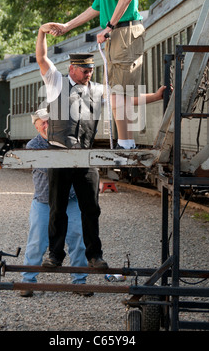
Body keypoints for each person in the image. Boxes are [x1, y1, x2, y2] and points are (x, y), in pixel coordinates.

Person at [35, 24, 165, 270]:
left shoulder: (97, 90)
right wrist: (42, 32)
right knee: (57, 209)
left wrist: (156, 97)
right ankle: (54, 255)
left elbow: (126, 99)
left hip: (86, 157)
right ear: (72, 69)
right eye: (85, 70)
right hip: (59, 155)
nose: (89, 74)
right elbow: (41, 57)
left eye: (92, 69)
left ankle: (94, 256)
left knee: (91, 209)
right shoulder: (55, 82)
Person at [46, 0, 145, 150]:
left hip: (124, 32)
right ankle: (125, 142)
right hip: (118, 33)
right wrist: (67, 26)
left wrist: (109, 27)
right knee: (118, 89)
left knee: (120, 90)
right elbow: (95, 8)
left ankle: (126, 144)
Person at [21, 108, 91, 297]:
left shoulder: (68, 142)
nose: (46, 125)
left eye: (48, 121)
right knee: (37, 242)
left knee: (77, 238)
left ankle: (80, 282)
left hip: (70, 200)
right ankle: (28, 281)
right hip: (44, 202)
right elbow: (52, 169)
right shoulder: (33, 146)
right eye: (41, 123)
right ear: (37, 128)